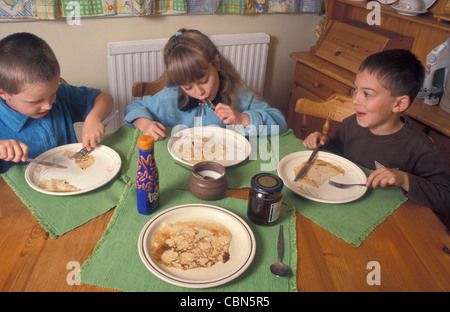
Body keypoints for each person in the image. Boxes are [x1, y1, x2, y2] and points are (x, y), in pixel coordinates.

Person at [303, 49, 450, 214]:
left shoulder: (419, 147)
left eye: (367, 94)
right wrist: (323, 142)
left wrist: (404, 179)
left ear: (399, 104)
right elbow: (337, 157)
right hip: (344, 208)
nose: (355, 99)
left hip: (387, 220)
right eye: (355, 89)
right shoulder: (351, 124)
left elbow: (446, 198)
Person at [124, 28, 287, 140]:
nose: (199, 92)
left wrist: (243, 118)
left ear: (216, 64)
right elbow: (134, 108)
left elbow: (280, 122)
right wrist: (144, 123)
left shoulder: (238, 94)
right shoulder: (170, 96)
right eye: (187, 87)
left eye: (204, 81)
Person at [0, 32, 113, 174]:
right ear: (4, 93)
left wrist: (94, 118)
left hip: (73, 179)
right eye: (36, 101)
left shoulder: (62, 96)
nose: (48, 105)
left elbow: (105, 98)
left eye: (52, 93)